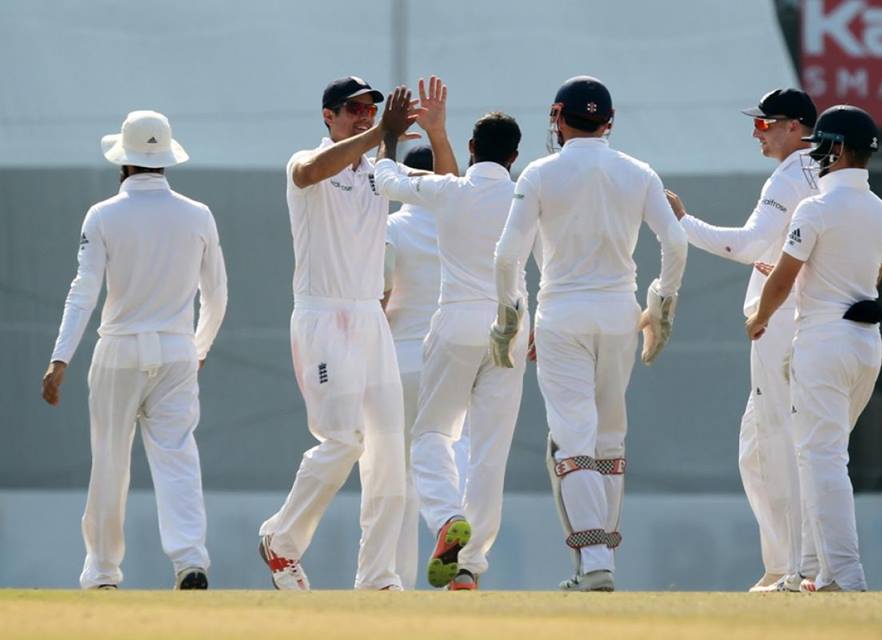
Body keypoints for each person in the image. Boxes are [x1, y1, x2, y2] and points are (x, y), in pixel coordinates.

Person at [492, 76, 687, 592]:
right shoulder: (638, 172)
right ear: (610, 121)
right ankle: (601, 561)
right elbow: (676, 241)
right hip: (620, 312)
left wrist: (509, 315)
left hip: (562, 313)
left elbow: (507, 256)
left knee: (573, 439)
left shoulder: (540, 173)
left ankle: (595, 561)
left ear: (558, 115)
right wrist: (661, 304)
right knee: (609, 436)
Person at [41, 110, 228, 590]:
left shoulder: (103, 215)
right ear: (165, 157)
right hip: (177, 350)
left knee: (109, 460)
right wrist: (199, 348)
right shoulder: (198, 214)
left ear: (124, 161)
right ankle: (190, 561)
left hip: (119, 349)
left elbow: (84, 290)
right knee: (178, 457)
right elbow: (217, 295)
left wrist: (60, 357)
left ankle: (103, 571)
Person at [258, 78, 419, 591]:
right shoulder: (306, 162)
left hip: (370, 318)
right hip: (324, 316)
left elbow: (442, 188)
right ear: (328, 115)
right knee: (343, 440)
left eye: (371, 109)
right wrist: (380, 132)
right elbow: (310, 172)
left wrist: (426, 133)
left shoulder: (378, 173)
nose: (363, 115)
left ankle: (377, 575)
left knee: (389, 452)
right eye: (353, 109)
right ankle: (281, 540)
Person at [664, 88, 819, 592]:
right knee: (756, 449)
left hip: (782, 320)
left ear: (795, 126)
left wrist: (683, 223)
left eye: (765, 124)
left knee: (779, 442)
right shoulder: (822, 169)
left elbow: (748, 244)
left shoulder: (790, 176)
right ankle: (781, 564)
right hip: (800, 316)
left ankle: (798, 567)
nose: (757, 133)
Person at [375, 82, 526, 591]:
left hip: (457, 321)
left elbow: (384, 179)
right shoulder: (527, 196)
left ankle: (445, 517)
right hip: (511, 322)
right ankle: (469, 565)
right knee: (489, 450)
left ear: (471, 148)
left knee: (431, 435)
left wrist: (393, 138)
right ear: (515, 156)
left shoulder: (450, 191)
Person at [746, 105, 882, 592]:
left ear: (839, 149)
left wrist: (759, 318)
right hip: (865, 345)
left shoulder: (815, 209)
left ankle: (844, 574)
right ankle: (810, 569)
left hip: (823, 340)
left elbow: (783, 280)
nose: (815, 158)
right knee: (817, 455)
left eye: (821, 149)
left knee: (822, 458)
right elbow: (872, 277)